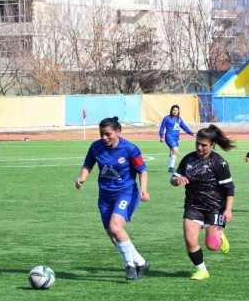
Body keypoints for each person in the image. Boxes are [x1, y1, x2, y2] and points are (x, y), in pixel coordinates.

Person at [75, 117, 151, 280]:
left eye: (108, 134)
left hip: (126, 193)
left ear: (118, 132)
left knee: (116, 227)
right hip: (105, 196)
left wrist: (144, 190)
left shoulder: (130, 149)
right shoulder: (96, 147)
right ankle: (141, 262)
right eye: (101, 134)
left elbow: (142, 171)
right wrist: (82, 177)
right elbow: (88, 164)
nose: (104, 137)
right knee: (113, 234)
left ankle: (129, 265)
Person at [170, 125, 235, 280]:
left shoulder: (219, 163)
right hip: (193, 206)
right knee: (190, 240)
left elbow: (229, 188)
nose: (199, 147)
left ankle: (219, 236)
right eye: (197, 143)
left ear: (212, 145)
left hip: (215, 207)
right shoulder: (188, 159)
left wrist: (228, 210)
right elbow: (173, 179)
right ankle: (202, 270)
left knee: (212, 246)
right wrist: (177, 180)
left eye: (204, 145)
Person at [159, 104, 195, 173]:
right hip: (169, 137)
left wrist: (192, 133)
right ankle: (171, 167)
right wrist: (161, 137)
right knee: (176, 151)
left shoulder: (179, 119)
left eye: (176, 110)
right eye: (174, 110)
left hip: (176, 138)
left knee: (172, 152)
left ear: (178, 111)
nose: (175, 111)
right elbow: (162, 128)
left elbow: (184, 127)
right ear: (171, 111)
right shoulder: (167, 118)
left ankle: (170, 168)